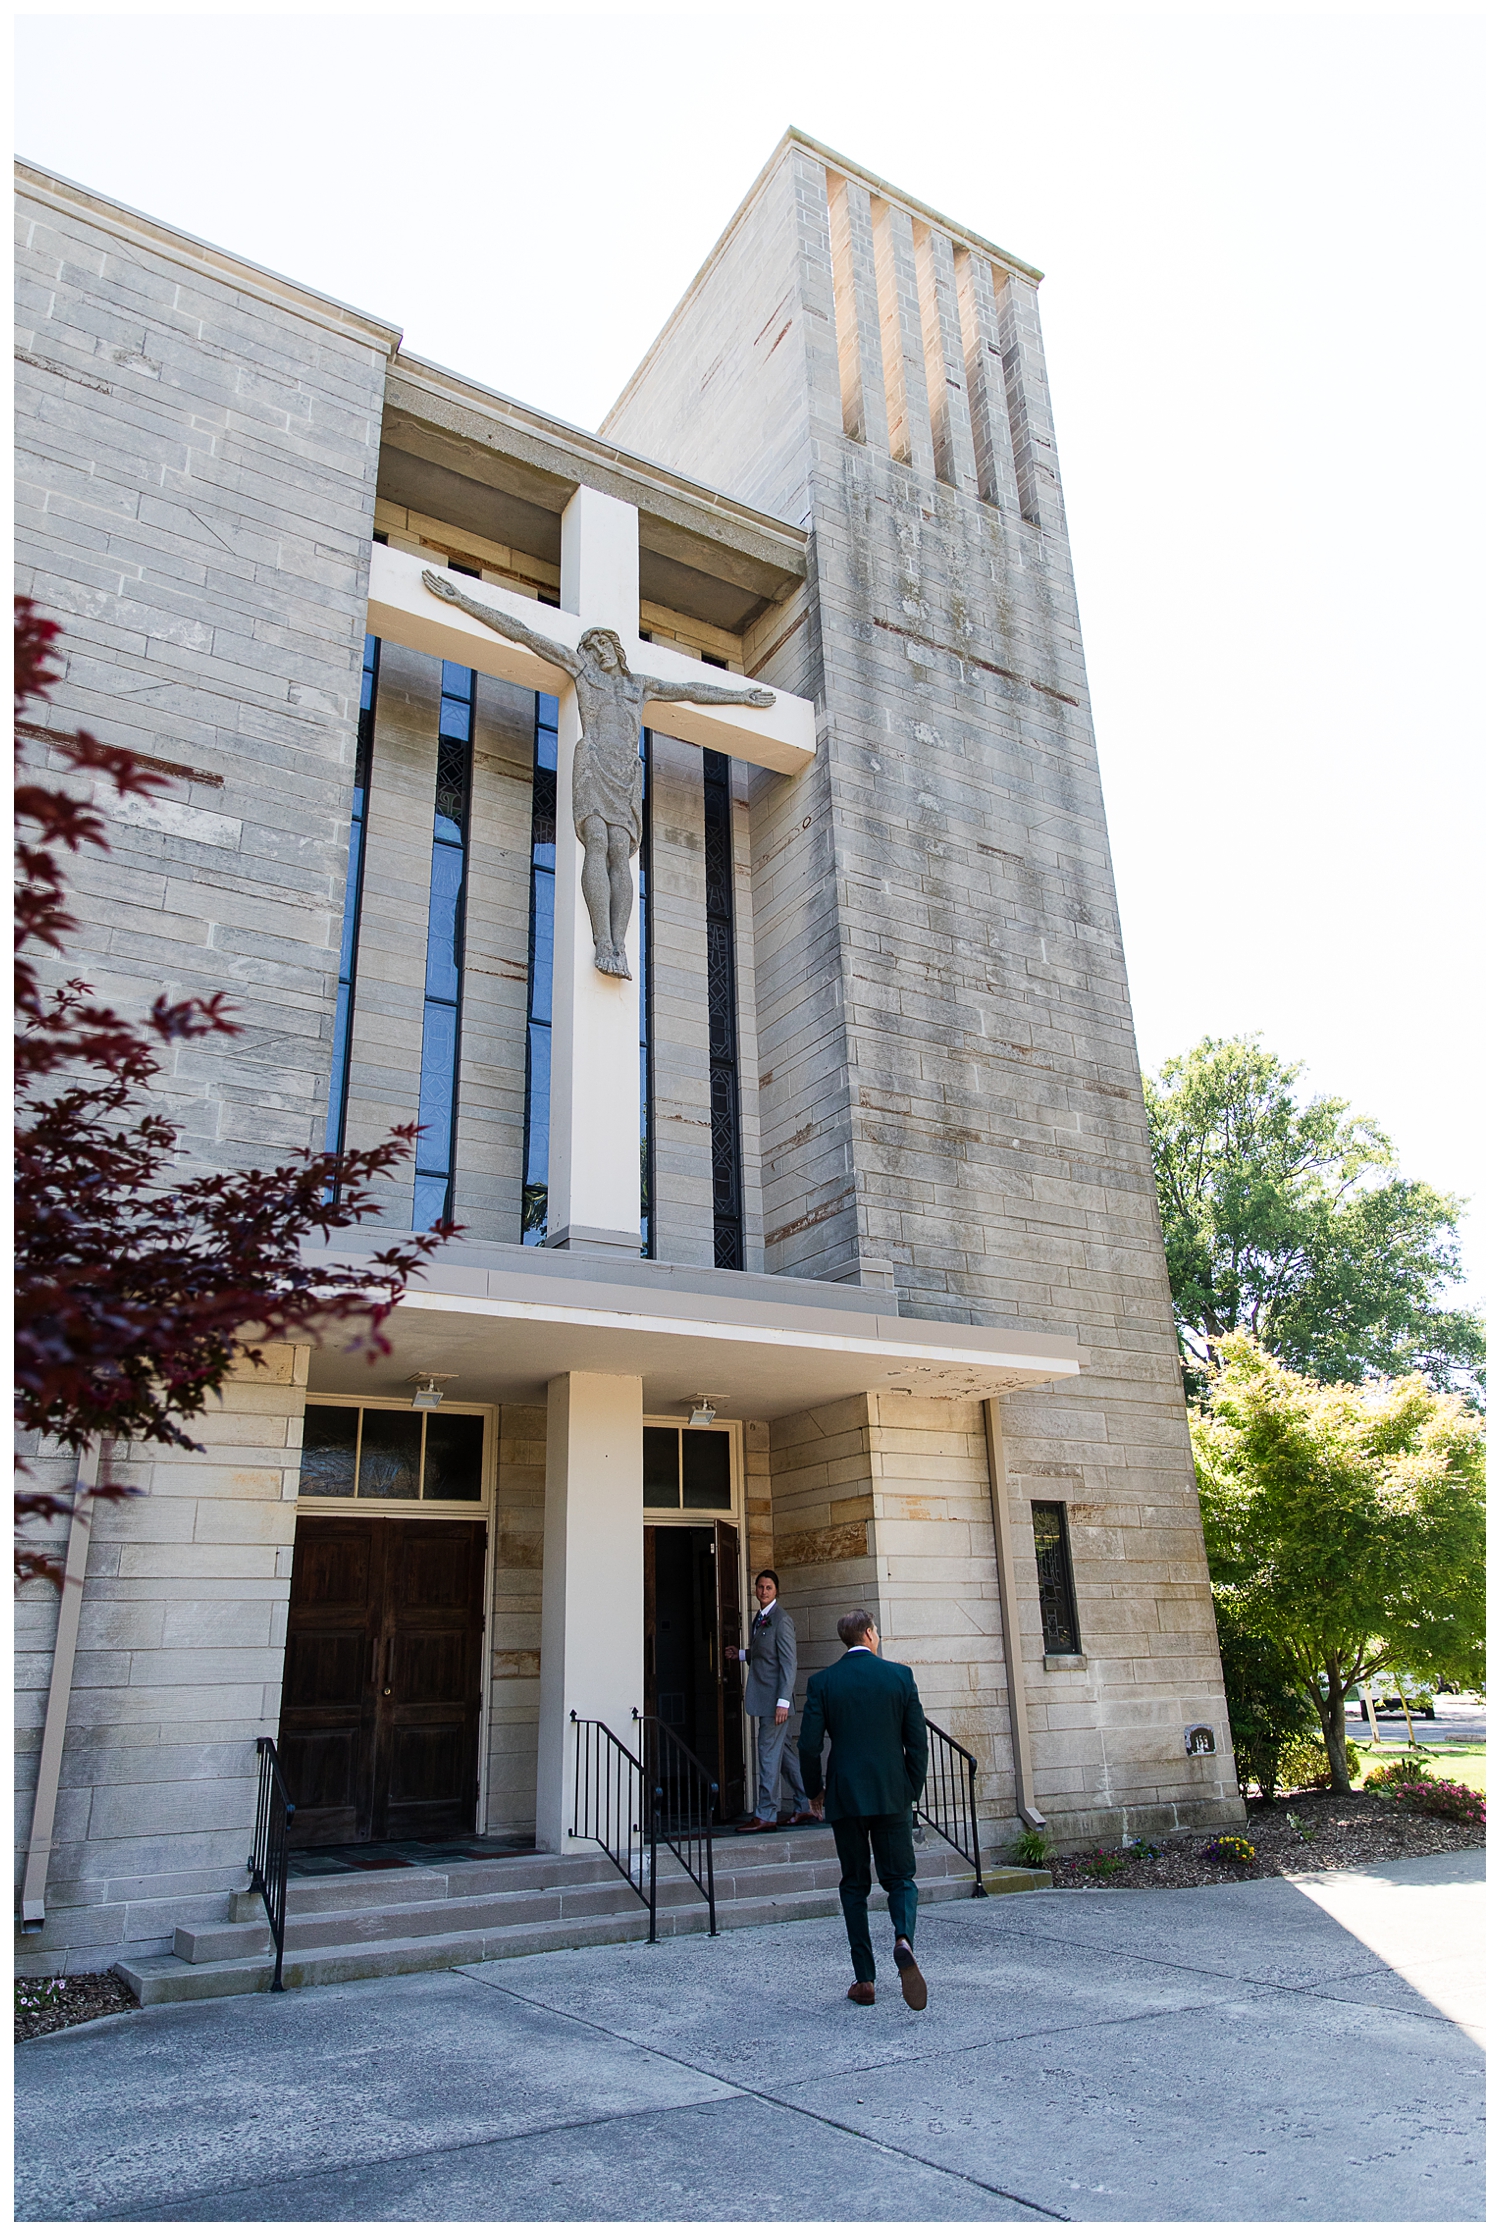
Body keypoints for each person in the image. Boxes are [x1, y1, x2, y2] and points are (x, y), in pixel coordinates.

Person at [421, 571, 773, 976]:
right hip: (593, 763)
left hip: (625, 772)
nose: (599, 648)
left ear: (617, 649)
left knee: (620, 851)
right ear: (586, 652)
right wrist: (461, 599)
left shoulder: (640, 686)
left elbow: (691, 689)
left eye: (605, 642)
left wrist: (740, 696)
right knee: (598, 842)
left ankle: (619, 945)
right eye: (593, 644)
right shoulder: (583, 673)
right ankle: (601, 941)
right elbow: (522, 633)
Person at [798, 1608, 930, 2009]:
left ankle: (865, 1979)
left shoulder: (823, 1682)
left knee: (854, 1885)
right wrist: (912, 1788)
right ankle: (903, 1937)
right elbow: (918, 1741)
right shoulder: (899, 1676)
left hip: (846, 1795)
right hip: (892, 1792)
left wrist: (815, 1792)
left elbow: (807, 1745)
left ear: (845, 1640)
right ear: (870, 1634)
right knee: (901, 1878)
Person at [727, 1569, 817, 1832]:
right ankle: (806, 1804)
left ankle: (766, 1813)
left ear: (776, 1590)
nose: (763, 1591)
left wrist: (782, 1702)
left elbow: (789, 1663)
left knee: (767, 1755)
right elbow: (765, 1653)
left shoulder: (782, 1620)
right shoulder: (761, 1618)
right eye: (760, 1587)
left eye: (768, 1588)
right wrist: (742, 1654)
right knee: (785, 1755)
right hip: (765, 1699)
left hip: (775, 1704)